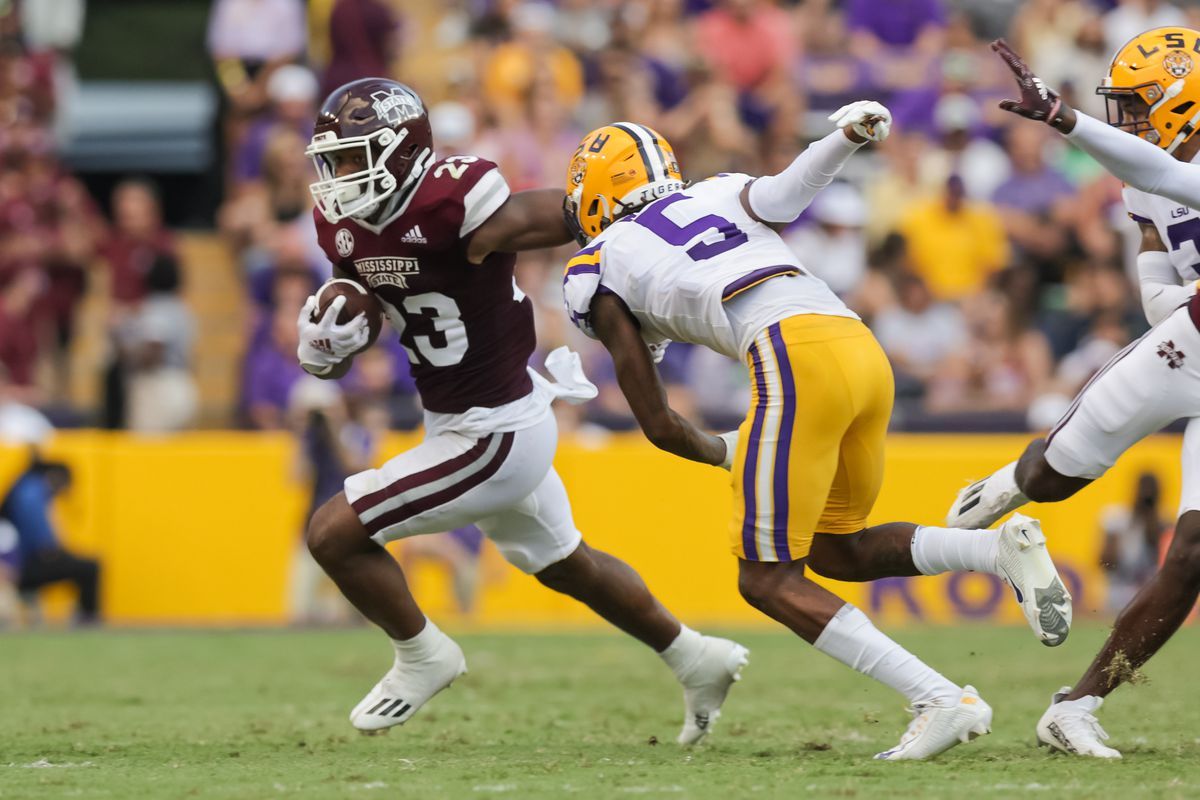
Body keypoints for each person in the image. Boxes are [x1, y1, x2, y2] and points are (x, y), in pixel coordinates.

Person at [559, 105, 1071, 760]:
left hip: (792, 355)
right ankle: (996, 551)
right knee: (836, 549)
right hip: (858, 345)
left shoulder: (598, 264)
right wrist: (842, 139)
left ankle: (938, 698)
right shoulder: (715, 193)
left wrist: (725, 453)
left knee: (764, 578)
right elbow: (786, 192)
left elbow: (657, 423)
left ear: (598, 194)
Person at [298, 78, 747, 741]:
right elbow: (364, 311)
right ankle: (694, 655)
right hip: (461, 422)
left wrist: (663, 214)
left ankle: (424, 656)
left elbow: (578, 214)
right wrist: (326, 344)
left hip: (495, 434)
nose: (338, 177)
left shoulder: (455, 202)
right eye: (332, 161)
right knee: (569, 564)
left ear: (400, 151)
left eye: (353, 157)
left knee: (333, 533)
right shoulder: (340, 222)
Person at [946, 30, 1200, 759]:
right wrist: (1185, 301)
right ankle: (1003, 487)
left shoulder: (1153, 165)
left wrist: (1064, 119)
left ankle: (1077, 705)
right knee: (1051, 480)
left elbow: (1181, 178)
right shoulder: (1140, 173)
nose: (1126, 119)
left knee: (1192, 553)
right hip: (1187, 342)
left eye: (1137, 105)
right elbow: (1153, 286)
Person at [0, 459, 100, 624]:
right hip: (21, 567)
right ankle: (88, 620)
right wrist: (55, 552)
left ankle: (86, 618)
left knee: (81, 564)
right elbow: (43, 544)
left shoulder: (28, 487)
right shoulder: (32, 491)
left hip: (21, 563)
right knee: (90, 568)